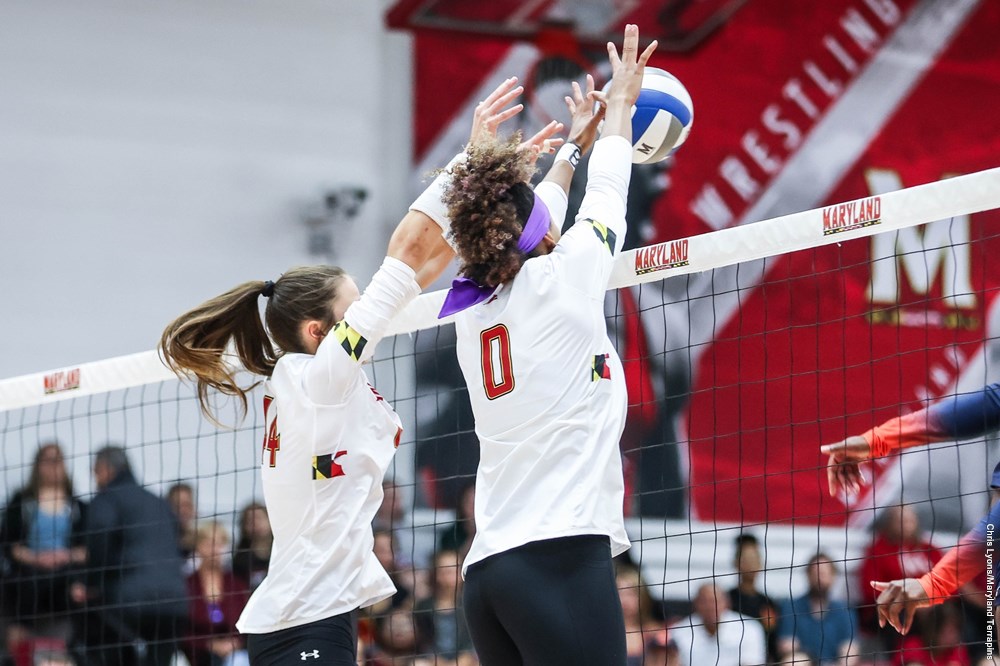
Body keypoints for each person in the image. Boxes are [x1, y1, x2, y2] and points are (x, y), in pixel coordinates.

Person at [158, 96, 560, 665]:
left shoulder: (316, 376)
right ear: (319, 330)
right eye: (356, 307)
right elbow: (401, 259)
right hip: (305, 619)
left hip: (321, 613)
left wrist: (499, 191)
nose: (367, 310)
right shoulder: (318, 379)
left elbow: (421, 267)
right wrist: (467, 161)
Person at [407, 24, 657, 664]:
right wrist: (621, 106)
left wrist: (573, 144)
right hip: (560, 560)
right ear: (539, 235)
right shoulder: (565, 275)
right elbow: (606, 195)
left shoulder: (470, 307)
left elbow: (528, 215)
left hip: (488, 573)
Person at [821, 383, 1000, 635]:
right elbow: (955, 416)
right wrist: (873, 441)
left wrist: (933, 585)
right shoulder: (881, 549)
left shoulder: (927, 547)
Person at [77, 446, 188, 666]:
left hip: (129, 602)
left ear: (105, 468)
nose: (95, 479)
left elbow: (99, 540)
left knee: (103, 645)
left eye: (95, 472)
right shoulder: (158, 502)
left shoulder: (107, 499)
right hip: (175, 603)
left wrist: (91, 583)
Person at [0, 442, 87, 651]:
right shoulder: (21, 503)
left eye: (58, 460)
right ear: (37, 466)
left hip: (65, 575)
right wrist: (37, 558)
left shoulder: (78, 507)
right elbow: (10, 545)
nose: (53, 466)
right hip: (29, 577)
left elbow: (87, 549)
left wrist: (64, 556)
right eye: (47, 460)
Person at [856, 505, 941, 642]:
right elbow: (871, 589)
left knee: (951, 614)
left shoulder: (929, 549)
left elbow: (947, 583)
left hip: (931, 606)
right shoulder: (878, 550)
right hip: (894, 607)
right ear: (889, 524)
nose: (906, 525)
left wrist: (928, 602)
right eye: (900, 521)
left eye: (909, 520)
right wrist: (910, 602)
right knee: (900, 616)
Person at [184, 521, 250, 666]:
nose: (215, 550)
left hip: (235, 654)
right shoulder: (187, 584)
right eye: (209, 544)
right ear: (197, 547)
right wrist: (208, 644)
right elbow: (181, 630)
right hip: (195, 655)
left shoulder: (236, 584)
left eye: (220, 544)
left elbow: (247, 624)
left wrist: (234, 643)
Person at [776, 553, 857, 665]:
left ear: (833, 576)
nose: (819, 578)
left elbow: (850, 650)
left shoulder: (844, 611)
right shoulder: (791, 607)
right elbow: (787, 646)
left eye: (824, 574)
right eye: (815, 573)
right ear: (808, 575)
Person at [669, 583, 766, 666]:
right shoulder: (678, 631)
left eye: (715, 601)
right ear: (695, 604)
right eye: (704, 602)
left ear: (727, 603)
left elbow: (752, 662)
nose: (710, 607)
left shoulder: (750, 628)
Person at [413, 549, 474, 665]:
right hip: (434, 661)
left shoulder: (470, 603)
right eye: (444, 570)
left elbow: (473, 643)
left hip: (468, 660)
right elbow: (424, 642)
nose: (449, 575)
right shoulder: (424, 605)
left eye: (453, 569)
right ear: (436, 574)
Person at [726, 534, 779, 663]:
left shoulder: (768, 602)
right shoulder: (726, 599)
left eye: (755, 560)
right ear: (736, 563)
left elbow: (773, 642)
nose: (751, 565)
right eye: (746, 560)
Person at [616, 563, 670, 666]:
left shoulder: (657, 634)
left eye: (630, 594)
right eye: (620, 593)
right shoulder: (602, 634)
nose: (625, 600)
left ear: (642, 596)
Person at [891, 601, 968, 666]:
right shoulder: (913, 646)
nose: (955, 635)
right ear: (935, 631)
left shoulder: (957, 649)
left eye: (957, 629)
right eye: (950, 631)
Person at [230, 503, 271, 592]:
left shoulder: (281, 553)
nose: (256, 523)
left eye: (259, 518)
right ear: (244, 526)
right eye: (250, 520)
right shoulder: (240, 560)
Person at [165, 483, 198, 568]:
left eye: (187, 505)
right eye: (177, 506)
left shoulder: (203, 545)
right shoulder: (158, 543)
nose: (183, 511)